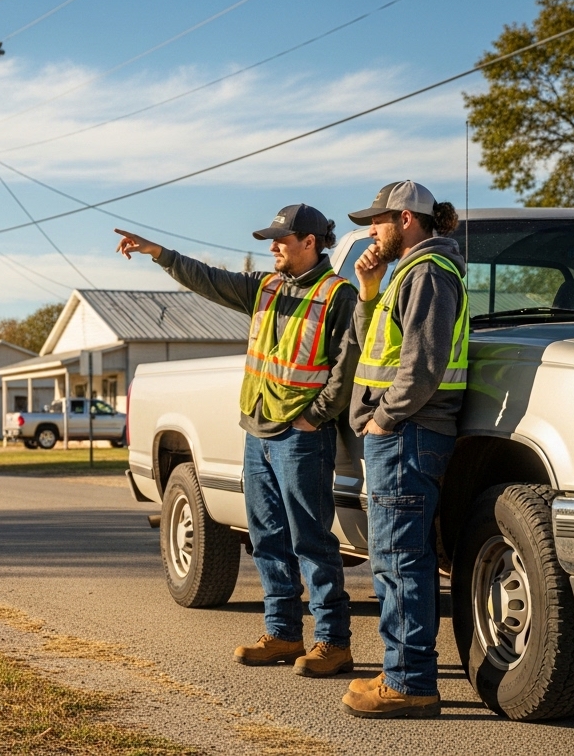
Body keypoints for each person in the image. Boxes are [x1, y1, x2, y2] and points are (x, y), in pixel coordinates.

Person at [115, 203, 357, 678]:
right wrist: (159, 254)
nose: (272, 248)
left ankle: (333, 641)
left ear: (310, 243)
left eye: (281, 241)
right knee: (267, 537)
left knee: (311, 540)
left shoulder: (338, 295)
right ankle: (283, 633)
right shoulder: (265, 288)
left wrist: (314, 417)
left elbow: (347, 368)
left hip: (301, 437)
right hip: (258, 433)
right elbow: (208, 279)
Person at [340, 180, 467, 719]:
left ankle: (411, 681)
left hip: (407, 434)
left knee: (400, 560)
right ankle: (401, 669)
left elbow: (423, 362)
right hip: (400, 434)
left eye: (378, 219)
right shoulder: (403, 274)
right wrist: (367, 290)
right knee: (392, 559)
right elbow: (375, 348)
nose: (371, 229)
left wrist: (384, 419)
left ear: (407, 220)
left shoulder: (429, 272)